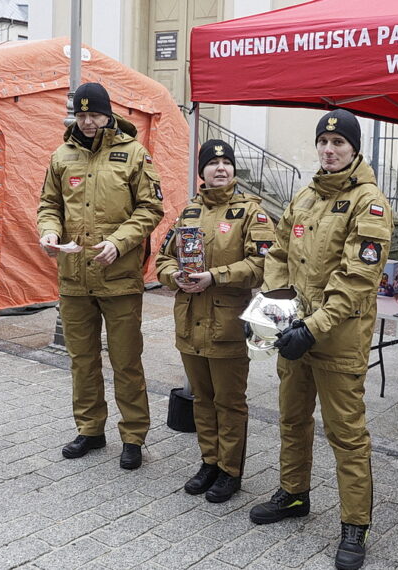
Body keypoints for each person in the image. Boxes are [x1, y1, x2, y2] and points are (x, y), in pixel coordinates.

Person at [248, 109, 393, 570]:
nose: (329, 150)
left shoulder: (369, 203)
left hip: (336, 338)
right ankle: (293, 494)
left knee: (346, 435)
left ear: (355, 149)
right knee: (292, 420)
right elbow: (279, 254)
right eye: (323, 143)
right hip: (294, 334)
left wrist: (312, 328)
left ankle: (355, 525)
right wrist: (271, 311)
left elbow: (357, 279)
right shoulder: (306, 196)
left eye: (339, 144)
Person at [37, 82, 164, 470]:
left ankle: (133, 436)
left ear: (109, 115)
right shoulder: (62, 155)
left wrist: (120, 242)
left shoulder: (133, 154)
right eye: (82, 114)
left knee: (126, 361)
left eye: (95, 114)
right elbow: (49, 204)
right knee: (82, 359)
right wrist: (49, 231)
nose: (88, 121)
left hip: (119, 277)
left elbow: (151, 208)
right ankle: (90, 429)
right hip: (74, 277)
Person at [155, 139, 275, 503]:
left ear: (234, 170)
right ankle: (209, 462)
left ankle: (230, 471)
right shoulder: (188, 212)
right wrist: (173, 275)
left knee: (230, 402)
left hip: (227, 323)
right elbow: (162, 260)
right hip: (190, 321)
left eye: (226, 162)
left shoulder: (254, 213)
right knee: (202, 399)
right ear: (202, 171)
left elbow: (264, 265)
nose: (220, 168)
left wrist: (216, 275)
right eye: (213, 162)